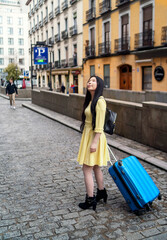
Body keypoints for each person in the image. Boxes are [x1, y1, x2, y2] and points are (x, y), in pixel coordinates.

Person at [77, 75, 110, 211]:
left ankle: (90, 199)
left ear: (99, 85)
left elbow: (100, 126)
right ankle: (101, 192)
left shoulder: (100, 101)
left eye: (93, 81)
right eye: (89, 81)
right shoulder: (91, 100)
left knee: (87, 168)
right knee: (95, 166)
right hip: (89, 135)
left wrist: (94, 143)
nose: (89, 82)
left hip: (95, 137)